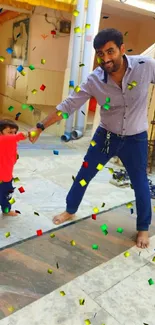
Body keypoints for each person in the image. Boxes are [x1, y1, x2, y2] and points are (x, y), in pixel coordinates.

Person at [28, 28, 155, 249]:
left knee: (140, 184)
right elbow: (69, 105)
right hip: (105, 136)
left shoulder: (145, 67)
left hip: (136, 139)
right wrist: (40, 126)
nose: (105, 58)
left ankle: (143, 227)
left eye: (110, 51)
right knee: (84, 174)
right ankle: (70, 209)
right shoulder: (95, 79)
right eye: (100, 53)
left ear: (122, 49)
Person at [0, 119, 27, 216]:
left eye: (14, 132)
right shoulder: (1, 140)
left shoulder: (12, 142)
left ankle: (6, 210)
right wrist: (18, 136)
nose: (13, 135)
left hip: (7, 176)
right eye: (10, 132)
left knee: (7, 195)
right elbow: (7, 139)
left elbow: (14, 156)